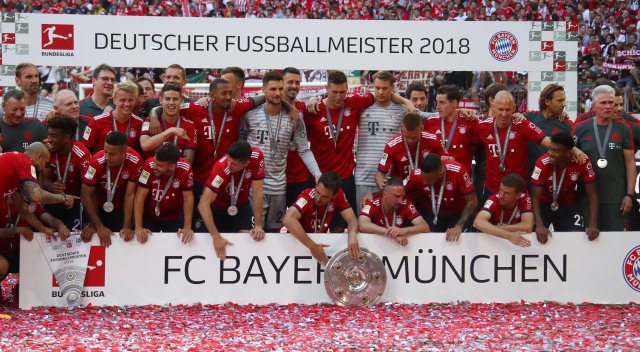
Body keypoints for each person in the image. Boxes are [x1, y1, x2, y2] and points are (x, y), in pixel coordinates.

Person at [304, 71, 413, 231]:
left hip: (345, 177)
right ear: (326, 88)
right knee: (312, 224)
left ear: (347, 89)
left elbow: (382, 94)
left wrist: (406, 102)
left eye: (342, 92)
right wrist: (314, 99)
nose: (339, 96)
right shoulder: (313, 110)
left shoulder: (355, 102)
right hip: (319, 176)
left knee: (342, 225)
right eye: (334, 92)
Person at [243, 71, 321, 232]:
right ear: (263, 89)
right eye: (272, 89)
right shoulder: (250, 114)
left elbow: (304, 150)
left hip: (278, 187)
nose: (277, 93)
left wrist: (317, 173)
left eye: (280, 89)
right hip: (254, 188)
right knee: (252, 234)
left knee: (274, 236)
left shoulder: (294, 118)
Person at [472, 90, 583, 202]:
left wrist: (573, 149)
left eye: (508, 109)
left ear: (514, 108)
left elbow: (549, 142)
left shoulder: (523, 125)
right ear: (493, 107)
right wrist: (462, 110)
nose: (504, 114)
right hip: (492, 188)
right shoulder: (482, 126)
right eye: (501, 109)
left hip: (518, 190)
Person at [572, 85, 636, 231]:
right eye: (603, 103)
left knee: (614, 242)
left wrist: (629, 195)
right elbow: (568, 153)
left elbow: (630, 163)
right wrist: (574, 149)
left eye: (611, 102)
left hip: (616, 198)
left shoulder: (624, 129)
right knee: (589, 241)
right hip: (586, 197)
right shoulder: (581, 128)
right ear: (593, 106)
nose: (608, 107)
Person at [198, 141, 265, 260]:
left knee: (252, 239)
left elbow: (257, 192)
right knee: (208, 243)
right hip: (217, 208)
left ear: (246, 163)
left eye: (234, 164)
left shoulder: (257, 157)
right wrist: (216, 236)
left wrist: (259, 225)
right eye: (229, 159)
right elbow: (203, 204)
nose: (229, 165)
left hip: (241, 206)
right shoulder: (222, 168)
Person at [530, 132, 599, 243]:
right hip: (543, 205)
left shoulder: (582, 161)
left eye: (556, 151)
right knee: (536, 235)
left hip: (568, 205)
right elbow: (535, 196)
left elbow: (592, 194)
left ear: (568, 152)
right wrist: (538, 224)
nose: (550, 153)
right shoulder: (542, 163)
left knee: (576, 237)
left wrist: (593, 224)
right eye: (550, 149)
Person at [354, 70, 407, 207]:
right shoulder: (362, 107)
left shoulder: (401, 110)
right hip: (364, 177)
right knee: (363, 223)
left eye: (385, 88)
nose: (380, 92)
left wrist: (458, 111)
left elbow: (425, 116)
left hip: (390, 179)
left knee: (390, 224)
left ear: (392, 89)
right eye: (377, 88)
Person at [283, 171, 360, 264]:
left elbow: (352, 219)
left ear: (334, 195)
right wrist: (312, 246)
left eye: (324, 196)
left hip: (318, 245)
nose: (318, 198)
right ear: (316, 185)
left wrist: (352, 234)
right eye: (318, 192)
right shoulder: (308, 195)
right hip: (298, 244)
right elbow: (288, 219)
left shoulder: (339, 195)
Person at [81, 131, 142, 246]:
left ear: (124, 151)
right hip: (96, 206)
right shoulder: (96, 161)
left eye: (112, 154)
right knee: (90, 236)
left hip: (120, 208)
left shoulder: (135, 161)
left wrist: (127, 225)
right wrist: (97, 225)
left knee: (123, 240)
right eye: (105, 152)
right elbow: (86, 194)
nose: (107, 157)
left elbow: (130, 195)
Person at [404, 154, 477, 239]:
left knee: (458, 239)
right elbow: (400, 191)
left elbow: (472, 201)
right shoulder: (416, 175)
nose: (424, 182)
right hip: (434, 213)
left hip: (458, 213)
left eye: (428, 180)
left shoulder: (458, 171)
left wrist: (459, 226)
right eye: (423, 177)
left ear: (440, 174)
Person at [134, 143, 194, 243]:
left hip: (174, 217)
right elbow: (140, 196)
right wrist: (138, 227)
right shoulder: (148, 165)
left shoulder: (185, 168)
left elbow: (188, 198)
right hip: (149, 216)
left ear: (171, 166)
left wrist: (187, 227)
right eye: (155, 162)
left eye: (160, 165)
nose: (154, 167)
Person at [42, 115, 90, 231]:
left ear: (67, 137)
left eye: (53, 136)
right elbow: (44, 179)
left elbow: (90, 190)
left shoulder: (81, 154)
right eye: (48, 134)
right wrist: (51, 186)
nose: (49, 139)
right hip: (53, 200)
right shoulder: (46, 148)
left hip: (76, 203)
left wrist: (91, 223)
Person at [376, 112, 445, 185]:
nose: (410, 140)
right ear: (402, 127)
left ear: (422, 128)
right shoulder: (391, 145)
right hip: (402, 189)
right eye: (406, 136)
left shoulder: (433, 139)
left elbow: (447, 159)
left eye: (414, 137)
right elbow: (380, 173)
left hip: (427, 187)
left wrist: (446, 159)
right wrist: (382, 185)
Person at [358, 177, 429, 246]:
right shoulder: (372, 203)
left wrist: (404, 230)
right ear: (385, 194)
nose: (401, 201)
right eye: (397, 196)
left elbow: (425, 227)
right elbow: (362, 225)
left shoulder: (405, 204)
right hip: (373, 246)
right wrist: (392, 234)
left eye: (402, 196)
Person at [423, 84, 478, 172]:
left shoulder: (469, 121)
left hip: (461, 178)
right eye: (437, 102)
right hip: (437, 176)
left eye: (442, 102)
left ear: (454, 103)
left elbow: (476, 148)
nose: (437, 107)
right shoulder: (430, 122)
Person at [82, 80, 145, 154]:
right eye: (122, 100)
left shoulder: (140, 123)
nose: (127, 104)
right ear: (114, 100)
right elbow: (85, 149)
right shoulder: (96, 122)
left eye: (130, 100)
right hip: (101, 165)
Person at [283, 67, 316, 207]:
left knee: (300, 222)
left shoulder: (304, 107)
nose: (294, 86)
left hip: (300, 177)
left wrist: (316, 98)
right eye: (290, 82)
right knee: (273, 226)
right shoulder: (268, 108)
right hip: (277, 178)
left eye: (297, 82)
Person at [140, 83, 196, 163]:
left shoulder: (189, 125)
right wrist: (171, 131)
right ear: (160, 100)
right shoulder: (150, 121)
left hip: (176, 172)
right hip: (152, 171)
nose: (171, 102)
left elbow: (188, 160)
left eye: (175, 99)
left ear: (181, 100)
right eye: (167, 99)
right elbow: (145, 145)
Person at [473, 173, 534, 247]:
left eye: (507, 193)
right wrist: (509, 236)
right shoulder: (494, 199)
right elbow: (477, 222)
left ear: (517, 195)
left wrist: (493, 228)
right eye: (500, 190)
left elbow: (527, 226)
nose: (501, 195)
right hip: (491, 243)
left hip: (512, 244)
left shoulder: (524, 199)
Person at [524, 84, 574, 174]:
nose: (564, 104)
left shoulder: (566, 124)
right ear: (547, 101)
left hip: (556, 178)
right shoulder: (528, 118)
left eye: (564, 100)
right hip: (531, 176)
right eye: (559, 101)